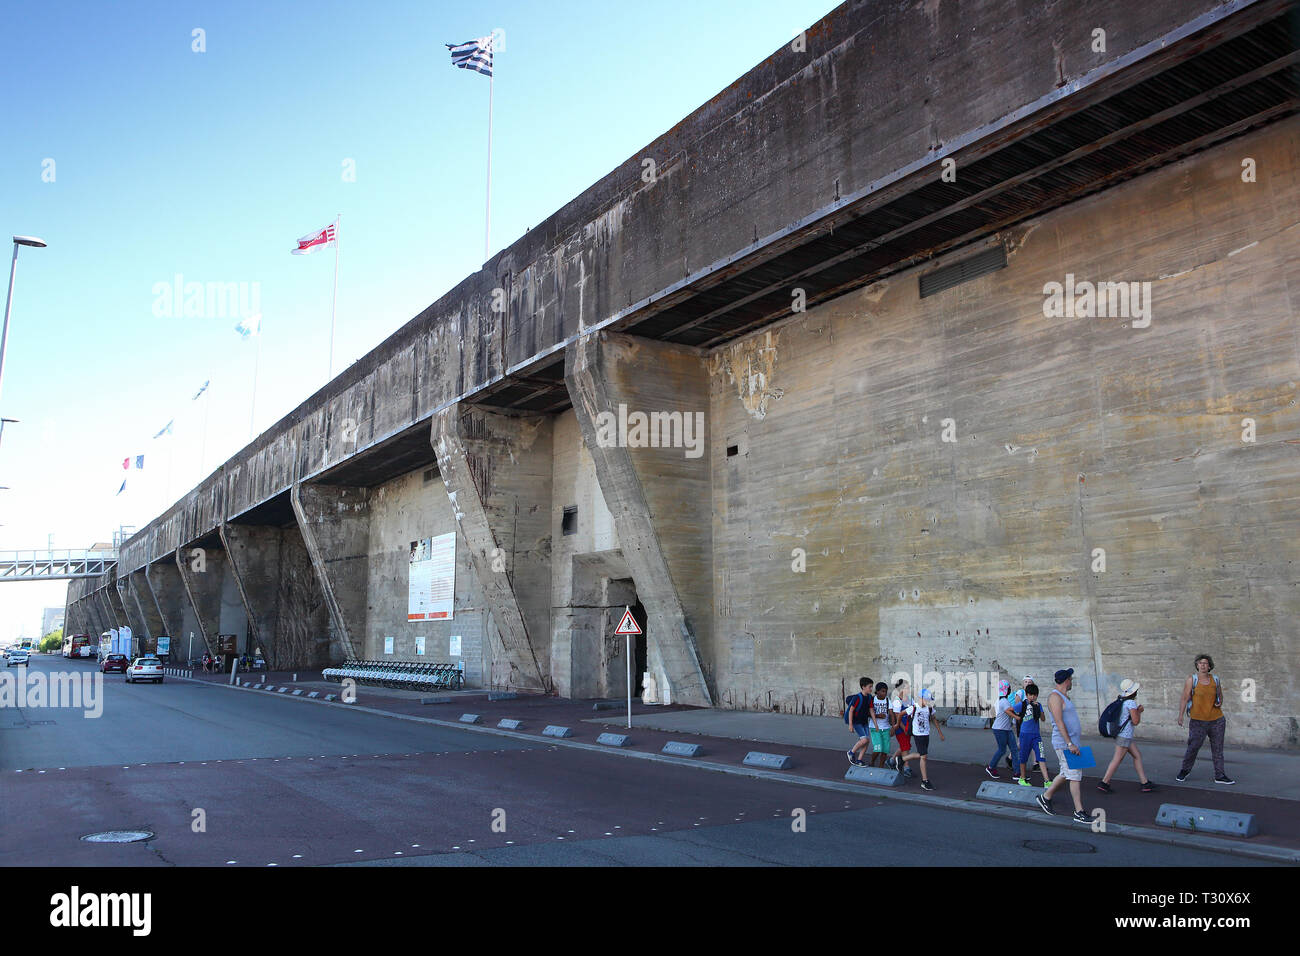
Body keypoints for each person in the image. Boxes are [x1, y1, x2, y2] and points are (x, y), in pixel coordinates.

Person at [1037, 668, 1091, 824]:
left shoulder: (1064, 697)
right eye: (1071, 679)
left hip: (1072, 742)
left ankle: (1045, 797)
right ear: (1066, 680)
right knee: (1074, 775)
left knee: (1066, 772)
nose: (1072, 682)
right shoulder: (1055, 697)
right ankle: (1079, 811)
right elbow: (1059, 722)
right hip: (1065, 743)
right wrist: (1069, 743)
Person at [1176, 654, 1233, 784]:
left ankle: (1220, 775)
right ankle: (1184, 770)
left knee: (1218, 749)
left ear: (1209, 666)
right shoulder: (1192, 679)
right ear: (1197, 665)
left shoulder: (1215, 679)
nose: (1203, 665)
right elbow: (1185, 698)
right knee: (1193, 747)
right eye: (1200, 663)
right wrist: (1180, 715)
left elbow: (1220, 696)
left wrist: (1219, 703)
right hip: (1198, 720)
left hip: (1217, 720)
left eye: (1205, 663)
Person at [1097, 679, 1157, 793]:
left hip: (1124, 736)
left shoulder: (1122, 700)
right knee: (1117, 759)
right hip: (1124, 736)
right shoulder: (1130, 703)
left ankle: (1145, 783)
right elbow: (1135, 721)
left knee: (1137, 756)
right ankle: (1104, 783)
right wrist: (1139, 711)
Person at [896, 687, 944, 790]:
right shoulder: (914, 707)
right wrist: (897, 724)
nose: (927, 702)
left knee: (923, 755)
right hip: (918, 734)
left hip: (926, 734)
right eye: (926, 700)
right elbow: (900, 714)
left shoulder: (929, 708)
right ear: (920, 698)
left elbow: (934, 719)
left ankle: (902, 759)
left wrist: (940, 733)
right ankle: (925, 781)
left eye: (929, 700)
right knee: (923, 757)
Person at [1013, 683, 1051, 787]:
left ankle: (1047, 781)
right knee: (1023, 758)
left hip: (1036, 736)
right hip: (1024, 735)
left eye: (1034, 695)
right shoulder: (1022, 704)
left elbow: (1043, 719)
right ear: (1026, 694)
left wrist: (1039, 709)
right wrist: (1016, 718)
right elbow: (1009, 710)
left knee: (1041, 756)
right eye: (1030, 695)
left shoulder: (1038, 705)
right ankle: (1022, 778)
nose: (1032, 697)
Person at [985, 679, 1018, 778]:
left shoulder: (1000, 701)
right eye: (1009, 689)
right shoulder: (1004, 701)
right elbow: (1011, 710)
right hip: (1000, 729)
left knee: (1014, 750)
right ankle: (991, 767)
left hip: (1006, 729)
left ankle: (1017, 772)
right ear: (1007, 690)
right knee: (1002, 750)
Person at [887, 679, 915, 778]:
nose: (909, 689)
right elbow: (898, 716)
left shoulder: (910, 699)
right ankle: (906, 767)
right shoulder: (897, 701)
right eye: (906, 688)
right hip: (900, 728)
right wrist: (904, 729)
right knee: (905, 747)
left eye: (909, 687)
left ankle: (891, 760)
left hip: (908, 727)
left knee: (905, 746)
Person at [846, 677, 874, 767]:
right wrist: (850, 724)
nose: (871, 689)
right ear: (863, 687)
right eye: (870, 687)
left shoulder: (869, 697)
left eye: (871, 686)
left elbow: (871, 710)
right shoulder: (857, 698)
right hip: (856, 722)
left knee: (867, 741)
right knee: (864, 739)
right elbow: (851, 710)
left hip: (864, 722)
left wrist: (875, 724)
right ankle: (851, 752)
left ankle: (859, 760)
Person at [866, 682, 892, 767]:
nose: (884, 693)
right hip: (875, 728)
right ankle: (872, 762)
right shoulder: (872, 700)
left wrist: (893, 727)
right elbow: (867, 713)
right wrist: (878, 716)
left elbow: (891, 714)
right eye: (882, 691)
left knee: (885, 751)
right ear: (877, 691)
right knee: (878, 749)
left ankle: (881, 767)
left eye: (885, 691)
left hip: (886, 728)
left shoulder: (888, 700)